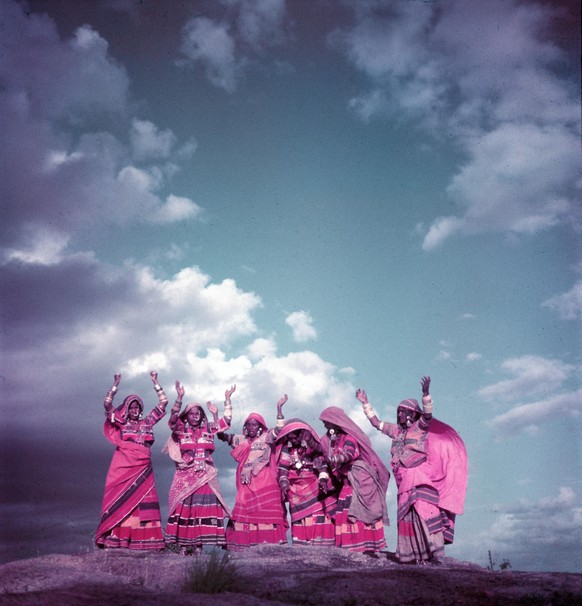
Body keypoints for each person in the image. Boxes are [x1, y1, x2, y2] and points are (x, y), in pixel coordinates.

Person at [357, 376, 468, 565]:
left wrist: (425, 395)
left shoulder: (419, 428)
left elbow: (427, 415)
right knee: (407, 515)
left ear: (411, 414)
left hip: (419, 476)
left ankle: (434, 553)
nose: (399, 415)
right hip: (404, 479)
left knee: (424, 511)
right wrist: (366, 403)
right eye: (399, 411)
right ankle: (412, 555)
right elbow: (377, 424)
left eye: (403, 412)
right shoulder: (397, 432)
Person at [96, 371, 168, 550]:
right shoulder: (121, 422)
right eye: (131, 408)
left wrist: (155, 382)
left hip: (143, 468)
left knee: (145, 501)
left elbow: (163, 403)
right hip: (124, 467)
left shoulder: (148, 423)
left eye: (137, 408)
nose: (134, 411)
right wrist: (115, 385)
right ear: (127, 410)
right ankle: (119, 540)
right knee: (122, 500)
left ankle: (146, 541)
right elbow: (107, 405)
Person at [164, 383, 235, 555]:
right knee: (184, 508)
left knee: (203, 508)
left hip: (205, 475)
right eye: (191, 414)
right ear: (186, 416)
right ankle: (182, 547)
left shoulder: (208, 429)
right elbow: (173, 419)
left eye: (198, 413)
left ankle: (198, 547)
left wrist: (227, 400)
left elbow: (226, 422)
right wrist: (179, 398)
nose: (195, 416)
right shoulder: (181, 429)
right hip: (185, 475)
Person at [218, 394, 289, 550]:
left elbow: (279, 429)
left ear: (260, 427)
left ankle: (268, 546)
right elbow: (221, 435)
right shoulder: (241, 440)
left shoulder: (266, 438)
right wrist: (225, 407)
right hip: (246, 484)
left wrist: (279, 409)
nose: (251, 428)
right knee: (243, 510)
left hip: (265, 482)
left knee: (265, 512)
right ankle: (243, 545)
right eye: (248, 425)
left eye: (254, 425)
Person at [318, 406, 389, 556]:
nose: (325, 426)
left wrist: (335, 459)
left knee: (360, 512)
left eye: (326, 422)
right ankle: (352, 547)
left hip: (359, 480)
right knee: (347, 511)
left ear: (334, 422)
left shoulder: (349, 438)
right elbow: (323, 457)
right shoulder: (330, 441)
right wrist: (323, 477)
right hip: (347, 481)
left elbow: (349, 455)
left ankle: (364, 547)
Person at [275, 419, 336, 546]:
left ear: (301, 435)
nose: (293, 441)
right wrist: (284, 484)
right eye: (290, 438)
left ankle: (322, 545)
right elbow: (283, 469)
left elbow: (321, 464)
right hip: (295, 491)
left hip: (315, 486)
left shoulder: (311, 446)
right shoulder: (287, 448)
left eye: (295, 438)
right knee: (299, 517)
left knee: (319, 514)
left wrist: (323, 479)